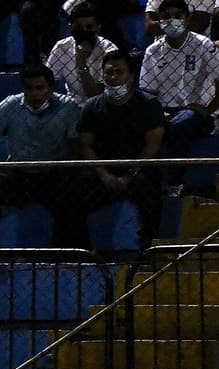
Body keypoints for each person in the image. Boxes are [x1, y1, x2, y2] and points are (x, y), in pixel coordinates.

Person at [0, 65, 84, 248]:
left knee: (73, 194)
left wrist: (67, 170)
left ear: (50, 87)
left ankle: (66, 251)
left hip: (53, 174)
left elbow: (76, 145)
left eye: (39, 88)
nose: (34, 93)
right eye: (28, 88)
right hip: (19, 174)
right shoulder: (11, 104)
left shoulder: (68, 107)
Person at [138, 0, 219, 194]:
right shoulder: (153, 51)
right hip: (164, 111)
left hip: (196, 111)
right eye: (166, 16)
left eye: (177, 15)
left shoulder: (202, 44)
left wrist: (209, 109)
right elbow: (147, 94)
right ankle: (144, 183)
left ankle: (174, 183)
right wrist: (157, 114)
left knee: (180, 124)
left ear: (187, 19)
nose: (171, 20)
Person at [76, 49, 167, 250]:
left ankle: (148, 250)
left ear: (131, 76)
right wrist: (104, 174)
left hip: (138, 170)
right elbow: (85, 145)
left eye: (119, 72)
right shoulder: (92, 107)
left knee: (150, 188)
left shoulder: (148, 105)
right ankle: (82, 253)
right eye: (109, 73)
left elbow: (152, 146)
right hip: (104, 172)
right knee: (74, 191)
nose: (113, 77)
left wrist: (129, 176)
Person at [43, 1, 115, 105]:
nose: (84, 31)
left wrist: (81, 63)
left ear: (98, 28)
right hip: (72, 106)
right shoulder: (61, 47)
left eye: (89, 27)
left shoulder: (109, 50)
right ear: (70, 27)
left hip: (101, 107)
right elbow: (48, 85)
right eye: (78, 28)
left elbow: (96, 97)